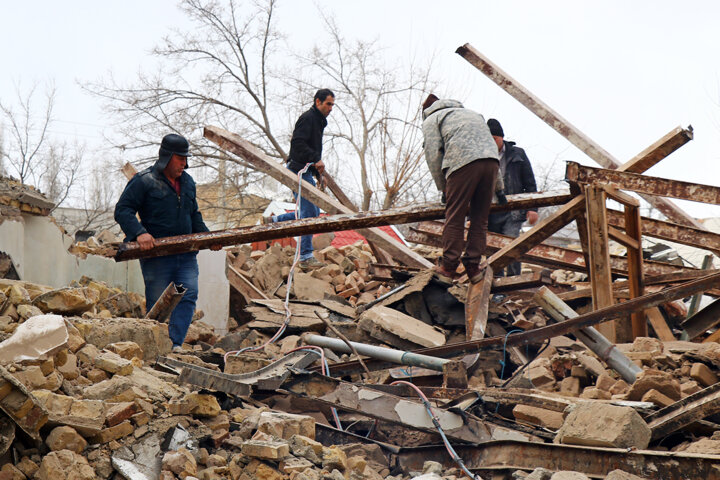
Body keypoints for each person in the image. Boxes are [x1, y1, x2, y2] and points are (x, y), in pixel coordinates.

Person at [114, 133, 217, 352]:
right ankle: (155, 347)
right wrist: (139, 233)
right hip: (157, 257)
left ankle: (175, 345)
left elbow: (194, 215)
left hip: (186, 255)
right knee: (159, 302)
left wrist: (209, 238)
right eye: (180, 158)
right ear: (168, 157)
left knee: (187, 296)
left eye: (186, 158)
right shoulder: (144, 181)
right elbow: (123, 210)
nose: (185, 164)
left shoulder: (188, 183)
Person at [421, 94, 499, 284]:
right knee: (480, 219)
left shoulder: (432, 118)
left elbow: (433, 155)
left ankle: (448, 267)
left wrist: (444, 189)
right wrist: (500, 188)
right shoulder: (472, 114)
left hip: (462, 162)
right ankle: (473, 267)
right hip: (492, 163)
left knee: (455, 215)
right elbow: (489, 148)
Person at [264, 88, 335, 270]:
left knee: (309, 212)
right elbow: (298, 144)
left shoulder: (319, 122)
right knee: (309, 213)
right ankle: (305, 256)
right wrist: (315, 159)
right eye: (328, 104)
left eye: (333, 105)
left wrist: (320, 175)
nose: (331, 108)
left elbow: (313, 151)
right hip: (298, 171)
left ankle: (275, 222)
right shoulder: (308, 118)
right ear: (317, 102)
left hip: (306, 171)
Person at [486, 118, 538, 277]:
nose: (491, 142)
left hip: (513, 210)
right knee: (492, 246)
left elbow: (529, 182)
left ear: (501, 137)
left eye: (494, 139)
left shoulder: (518, 154)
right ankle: (496, 284)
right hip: (490, 210)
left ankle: (514, 281)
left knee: (511, 243)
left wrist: (532, 208)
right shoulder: (483, 156)